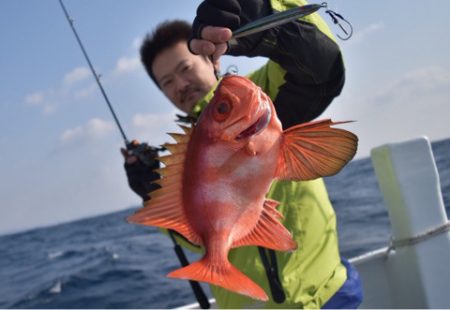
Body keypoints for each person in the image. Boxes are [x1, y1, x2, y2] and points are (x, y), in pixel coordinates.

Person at [122, 0, 363, 308]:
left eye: (185, 68)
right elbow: (199, 239)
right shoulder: (178, 157)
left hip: (324, 295)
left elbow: (320, 65)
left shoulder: (258, 95)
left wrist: (266, 17)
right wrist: (151, 192)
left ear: (210, 58)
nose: (180, 85)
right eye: (167, 82)